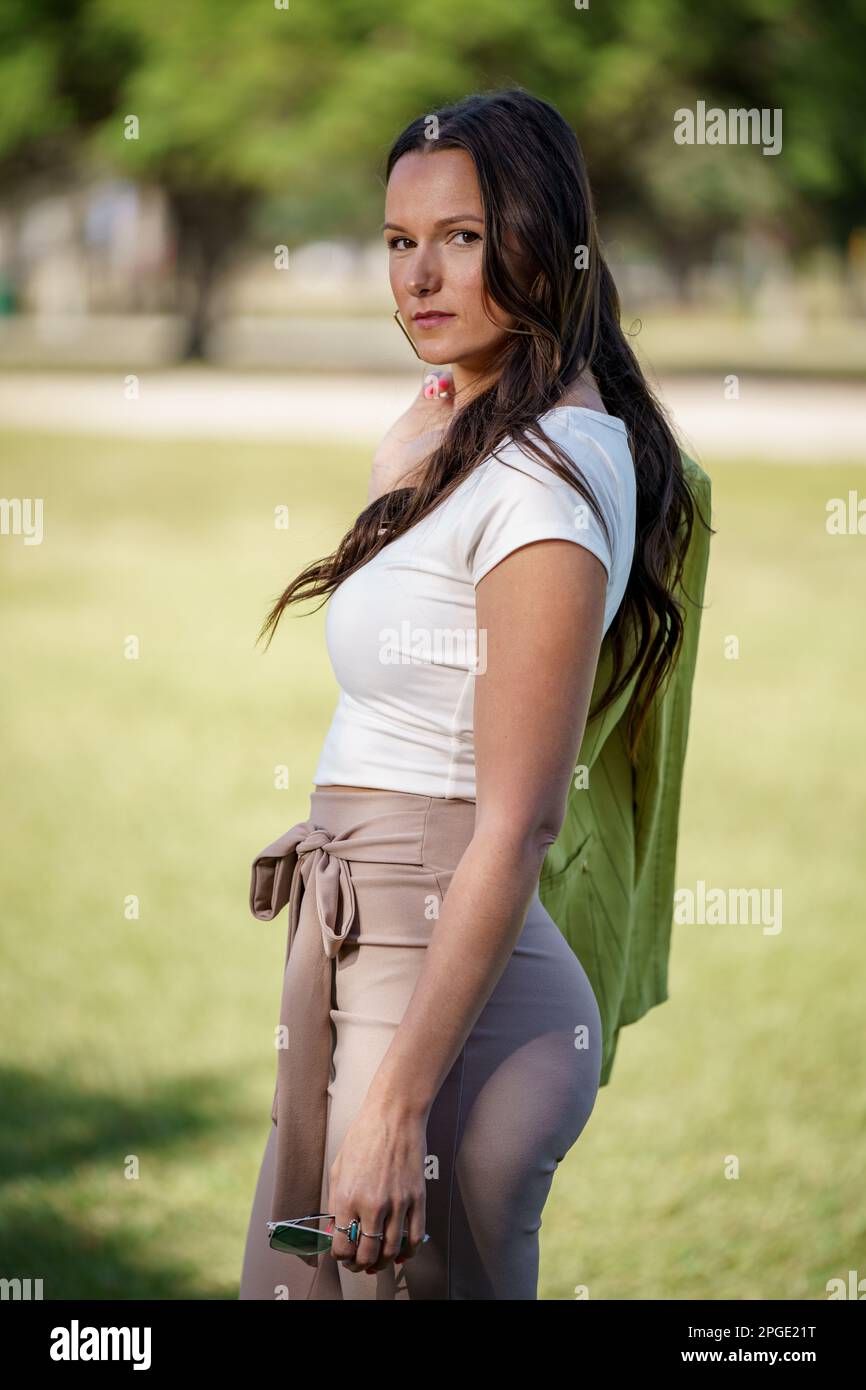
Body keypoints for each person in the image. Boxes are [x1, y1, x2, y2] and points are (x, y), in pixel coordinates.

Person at [238, 87, 702, 1301]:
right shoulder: (486, 444)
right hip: (377, 948)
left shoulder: (544, 487)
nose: (418, 276)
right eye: (399, 241)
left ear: (542, 239)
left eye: (460, 235)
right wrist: (394, 481)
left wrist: (393, 1102)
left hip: (442, 991)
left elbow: (519, 820)